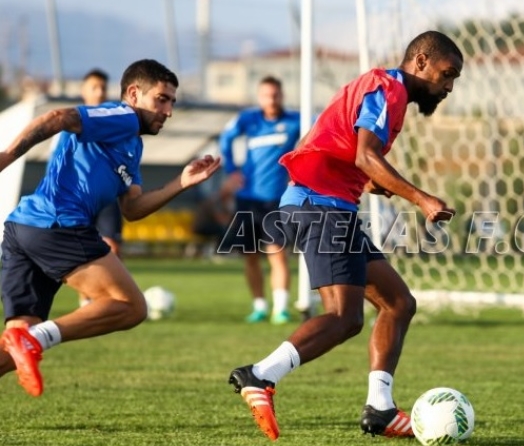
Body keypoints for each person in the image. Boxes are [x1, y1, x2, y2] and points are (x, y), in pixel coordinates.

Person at [226, 30, 463, 441]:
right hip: (320, 208)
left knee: (398, 303)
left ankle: (381, 409)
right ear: (421, 60)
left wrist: (367, 182)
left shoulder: (381, 89)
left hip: (327, 206)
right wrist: (421, 198)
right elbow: (365, 154)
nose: (448, 86)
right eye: (447, 73)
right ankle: (260, 375)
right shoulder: (387, 89)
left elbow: (323, 145)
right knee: (344, 317)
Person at [0, 59, 221, 397]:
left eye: (173, 102)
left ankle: (28, 338)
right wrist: (4, 157)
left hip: (25, 229)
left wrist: (182, 183)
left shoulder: (132, 144)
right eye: (161, 99)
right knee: (131, 306)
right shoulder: (121, 116)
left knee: (11, 352)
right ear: (133, 94)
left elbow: (132, 208)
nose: (169, 110)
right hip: (58, 224)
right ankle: (36, 339)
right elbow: (57, 118)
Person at [219, 76, 301, 324]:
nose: (271, 99)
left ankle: (281, 308)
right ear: (259, 97)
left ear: (282, 95)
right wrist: (232, 170)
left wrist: (299, 172)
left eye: (275, 94)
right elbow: (225, 139)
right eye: (266, 95)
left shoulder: (295, 121)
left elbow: (316, 136)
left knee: (277, 253)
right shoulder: (248, 120)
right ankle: (259, 306)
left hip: (275, 200)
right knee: (251, 256)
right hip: (248, 199)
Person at [75, 69, 127, 308]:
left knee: (112, 247)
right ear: (83, 90)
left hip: (106, 196)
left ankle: (111, 296)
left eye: (103, 87)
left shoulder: (113, 122)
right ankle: (86, 300)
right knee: (80, 251)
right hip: (78, 198)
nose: (99, 92)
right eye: (94, 87)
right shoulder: (71, 122)